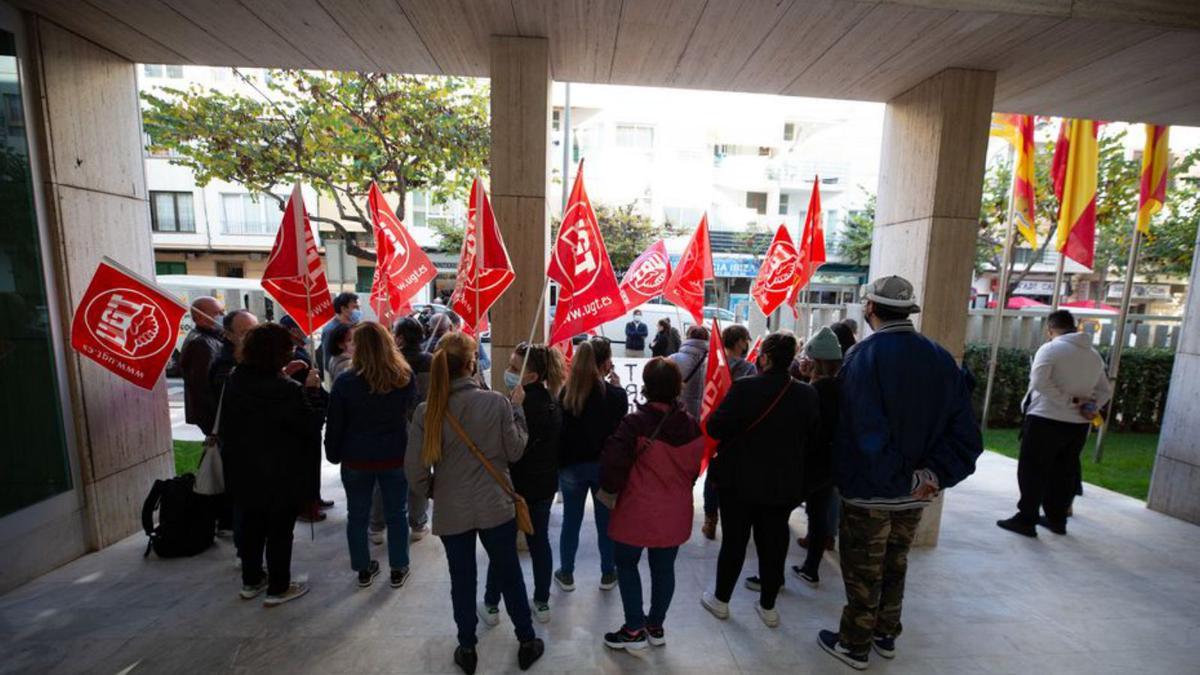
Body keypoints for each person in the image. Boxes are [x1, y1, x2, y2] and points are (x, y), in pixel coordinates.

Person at [817, 276, 982, 670]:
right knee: (895, 563)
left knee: (862, 570)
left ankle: (855, 644)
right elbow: (966, 435)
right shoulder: (942, 359)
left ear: (870, 308)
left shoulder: (861, 358)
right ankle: (885, 635)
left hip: (870, 493)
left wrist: (905, 478)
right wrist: (932, 476)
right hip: (916, 495)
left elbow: (863, 433)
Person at [405, 332, 543, 674]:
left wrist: (437, 491)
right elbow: (514, 451)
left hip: (453, 509)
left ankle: (466, 647)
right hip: (495, 505)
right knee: (510, 573)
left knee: (461, 579)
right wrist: (519, 412)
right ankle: (527, 640)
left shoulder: (427, 410)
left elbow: (415, 470)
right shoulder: (497, 402)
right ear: (470, 365)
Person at [701, 331, 819, 629]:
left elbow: (715, 427)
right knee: (774, 543)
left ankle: (721, 601)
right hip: (782, 485)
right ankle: (768, 607)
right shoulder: (807, 394)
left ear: (764, 357)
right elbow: (813, 441)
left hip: (739, 482)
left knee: (734, 543)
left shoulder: (744, 388)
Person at [599, 358, 704, 651]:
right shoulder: (693, 428)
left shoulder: (634, 423)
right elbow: (694, 471)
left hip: (636, 509)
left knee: (627, 564)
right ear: (677, 388)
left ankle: (633, 628)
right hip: (675, 511)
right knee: (664, 568)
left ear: (646, 387)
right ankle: (655, 626)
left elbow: (612, 467)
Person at [219, 323, 327, 607]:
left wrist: (285, 376)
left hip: (243, 469)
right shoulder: (287, 391)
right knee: (279, 531)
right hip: (281, 472)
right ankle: (278, 587)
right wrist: (313, 392)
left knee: (251, 526)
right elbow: (310, 425)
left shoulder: (235, 379)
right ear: (278, 353)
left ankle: (251, 581)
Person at [997, 309, 1112, 538]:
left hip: (1045, 419)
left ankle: (1027, 519)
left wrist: (1069, 401)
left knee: (1033, 470)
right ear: (1074, 326)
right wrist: (1087, 406)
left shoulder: (1050, 349)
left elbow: (1039, 382)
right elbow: (1104, 391)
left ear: (1050, 329)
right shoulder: (1093, 355)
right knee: (1064, 471)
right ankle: (1057, 519)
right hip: (1078, 425)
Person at [325, 322, 414, 589]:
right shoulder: (403, 378)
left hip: (356, 457)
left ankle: (363, 569)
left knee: (357, 515)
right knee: (397, 513)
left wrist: (332, 453)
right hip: (395, 455)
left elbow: (335, 423)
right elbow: (408, 413)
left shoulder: (345, 383)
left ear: (359, 347)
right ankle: (398, 567)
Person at [481, 344, 563, 625]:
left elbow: (508, 448)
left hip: (512, 487)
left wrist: (513, 409)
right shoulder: (553, 400)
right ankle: (541, 602)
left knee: (501, 546)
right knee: (540, 543)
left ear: (532, 375)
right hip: (544, 486)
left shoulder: (516, 405)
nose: (509, 371)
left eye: (516, 368)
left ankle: (491, 604)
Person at [554, 340, 627, 593]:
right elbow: (621, 432)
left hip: (571, 467)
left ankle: (567, 573)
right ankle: (608, 574)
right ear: (606, 362)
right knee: (605, 523)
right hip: (604, 469)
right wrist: (616, 388)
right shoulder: (616, 395)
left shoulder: (565, 394)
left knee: (570, 522)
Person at [791, 327, 843, 585]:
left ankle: (772, 577)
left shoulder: (812, 392)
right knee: (819, 515)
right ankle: (811, 568)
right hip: (830, 465)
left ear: (817, 363)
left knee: (777, 516)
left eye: (806, 358)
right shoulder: (842, 388)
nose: (802, 361)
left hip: (807, 465)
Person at [700, 324, 758, 540]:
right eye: (745, 340)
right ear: (738, 341)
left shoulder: (712, 364)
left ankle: (710, 519)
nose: (747, 344)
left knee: (712, 475)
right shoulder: (748, 369)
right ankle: (732, 521)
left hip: (714, 425)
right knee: (734, 475)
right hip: (737, 430)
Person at [383, 317, 434, 542]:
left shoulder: (391, 361)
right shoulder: (430, 360)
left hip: (394, 425)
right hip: (423, 425)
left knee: (391, 475)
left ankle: (382, 521)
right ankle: (418, 522)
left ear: (400, 337)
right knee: (420, 473)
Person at [280, 314, 333, 520]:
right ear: (292, 330)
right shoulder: (289, 354)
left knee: (313, 462)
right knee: (305, 465)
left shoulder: (300, 350)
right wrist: (312, 389)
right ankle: (306, 506)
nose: (307, 330)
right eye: (302, 326)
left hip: (313, 409)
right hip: (304, 415)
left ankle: (314, 497)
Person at [179, 296, 225, 437]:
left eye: (223, 312)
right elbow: (201, 388)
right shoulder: (201, 343)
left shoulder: (213, 337)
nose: (223, 316)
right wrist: (215, 423)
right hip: (213, 418)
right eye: (217, 313)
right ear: (199, 317)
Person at [668, 325, 710, 418]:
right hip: (705, 415)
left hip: (679, 414)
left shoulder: (673, 359)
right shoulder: (714, 361)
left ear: (687, 337)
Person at [320, 292, 360, 371]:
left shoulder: (353, 326)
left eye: (358, 308)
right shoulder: (331, 330)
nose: (358, 311)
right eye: (354, 307)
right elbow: (328, 358)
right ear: (343, 309)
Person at [324, 322, 356, 386]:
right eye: (349, 340)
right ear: (340, 344)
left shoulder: (335, 357)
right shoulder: (348, 364)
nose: (355, 342)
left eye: (356, 338)